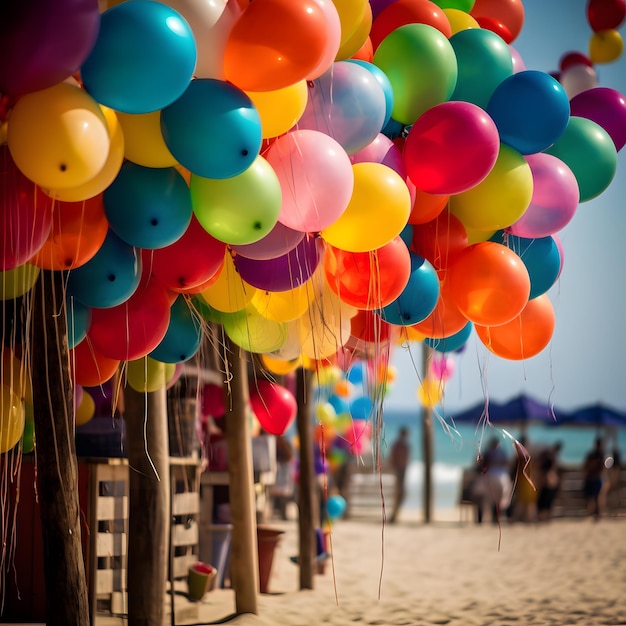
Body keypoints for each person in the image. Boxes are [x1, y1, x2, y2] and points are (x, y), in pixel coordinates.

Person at [472, 436, 512, 524]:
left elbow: (481, 466)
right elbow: (507, 463)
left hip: (490, 477)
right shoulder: (502, 453)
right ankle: (496, 517)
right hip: (502, 478)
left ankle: (489, 518)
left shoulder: (488, 453)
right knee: (499, 499)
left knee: (491, 499)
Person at [536, 441, 563, 521]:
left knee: (543, 501)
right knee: (548, 501)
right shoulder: (553, 462)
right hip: (552, 482)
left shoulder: (547, 468)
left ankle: (543, 517)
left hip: (548, 482)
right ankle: (546, 517)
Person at [389, 427, 411, 523]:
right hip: (399, 471)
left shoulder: (401, 445)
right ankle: (394, 515)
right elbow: (394, 458)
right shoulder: (400, 445)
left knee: (401, 493)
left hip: (401, 470)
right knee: (399, 493)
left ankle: (395, 514)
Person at [583, 436, 607, 519]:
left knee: (595, 497)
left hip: (595, 477)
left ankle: (595, 513)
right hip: (595, 477)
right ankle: (595, 513)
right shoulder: (599, 455)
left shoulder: (597, 455)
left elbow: (586, 466)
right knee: (595, 497)